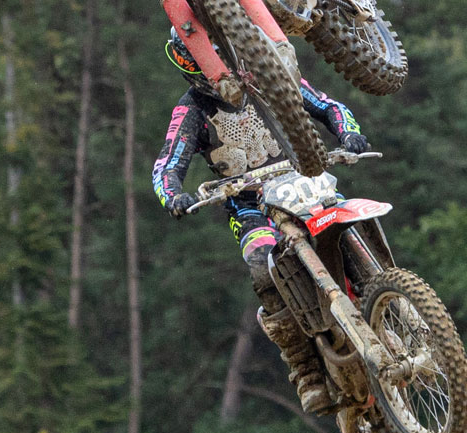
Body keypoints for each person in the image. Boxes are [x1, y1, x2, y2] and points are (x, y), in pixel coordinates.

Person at [150, 29, 370, 413]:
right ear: (189, 62)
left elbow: (327, 104)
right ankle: (305, 369)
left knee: (350, 219)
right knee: (262, 265)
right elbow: (167, 165)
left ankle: (387, 291)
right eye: (205, 58)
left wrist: (348, 132)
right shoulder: (192, 111)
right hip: (250, 205)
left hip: (307, 183)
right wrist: (173, 196)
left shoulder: (267, 75)